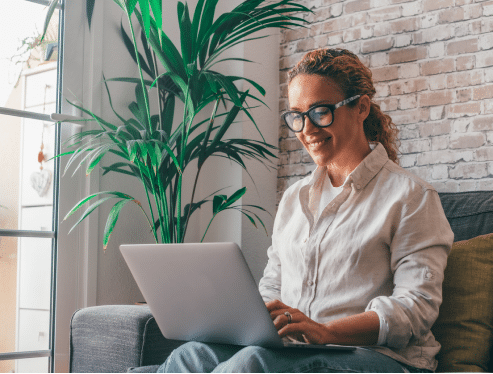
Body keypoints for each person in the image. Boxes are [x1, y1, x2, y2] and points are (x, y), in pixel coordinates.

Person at [157, 48, 454, 373]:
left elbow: (416, 307)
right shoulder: (294, 198)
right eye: (297, 115)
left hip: (382, 359)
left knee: (252, 364)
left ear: (361, 107)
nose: (306, 129)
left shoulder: (411, 196)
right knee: (193, 355)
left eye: (321, 112)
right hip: (296, 352)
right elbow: (273, 283)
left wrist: (325, 332)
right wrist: (254, 320)